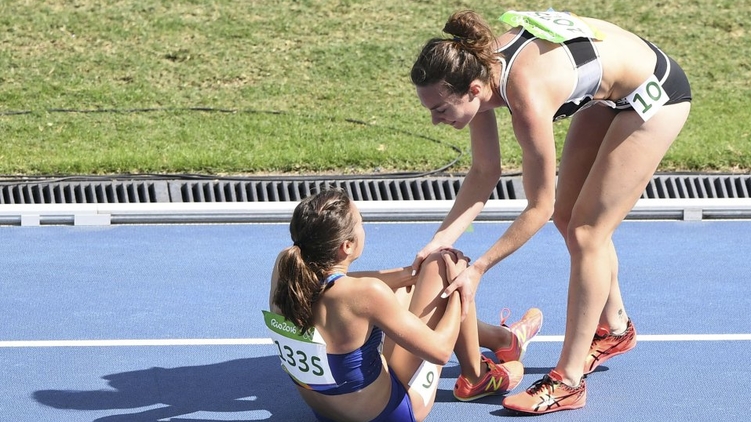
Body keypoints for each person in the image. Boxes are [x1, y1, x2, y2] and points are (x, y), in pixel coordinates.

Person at [410, 9, 691, 414]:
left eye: (440, 109)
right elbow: (485, 171)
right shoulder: (477, 70)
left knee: (586, 232)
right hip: (608, 92)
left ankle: (568, 381)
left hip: (656, 93)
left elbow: (539, 207)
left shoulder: (525, 95)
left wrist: (478, 269)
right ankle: (615, 327)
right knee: (569, 216)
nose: (436, 121)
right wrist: (440, 240)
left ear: (474, 90)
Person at [265, 188, 540, 422]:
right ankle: (476, 377)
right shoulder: (367, 294)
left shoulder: (286, 268)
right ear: (347, 246)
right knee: (442, 265)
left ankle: (502, 340)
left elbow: (340, 284)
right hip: (392, 412)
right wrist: (459, 287)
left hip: (327, 412)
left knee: (410, 285)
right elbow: (440, 352)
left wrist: (406, 275)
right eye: (360, 223)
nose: (363, 228)